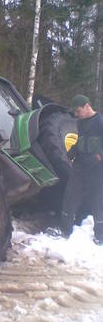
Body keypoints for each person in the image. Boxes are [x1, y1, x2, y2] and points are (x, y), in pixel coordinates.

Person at [60, 94, 103, 244]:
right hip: (80, 166)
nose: (76, 115)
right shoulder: (80, 123)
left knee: (98, 200)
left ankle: (100, 236)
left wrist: (99, 156)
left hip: (97, 169)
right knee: (70, 196)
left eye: (78, 111)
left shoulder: (100, 121)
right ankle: (65, 230)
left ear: (87, 106)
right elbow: (81, 141)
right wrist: (72, 152)